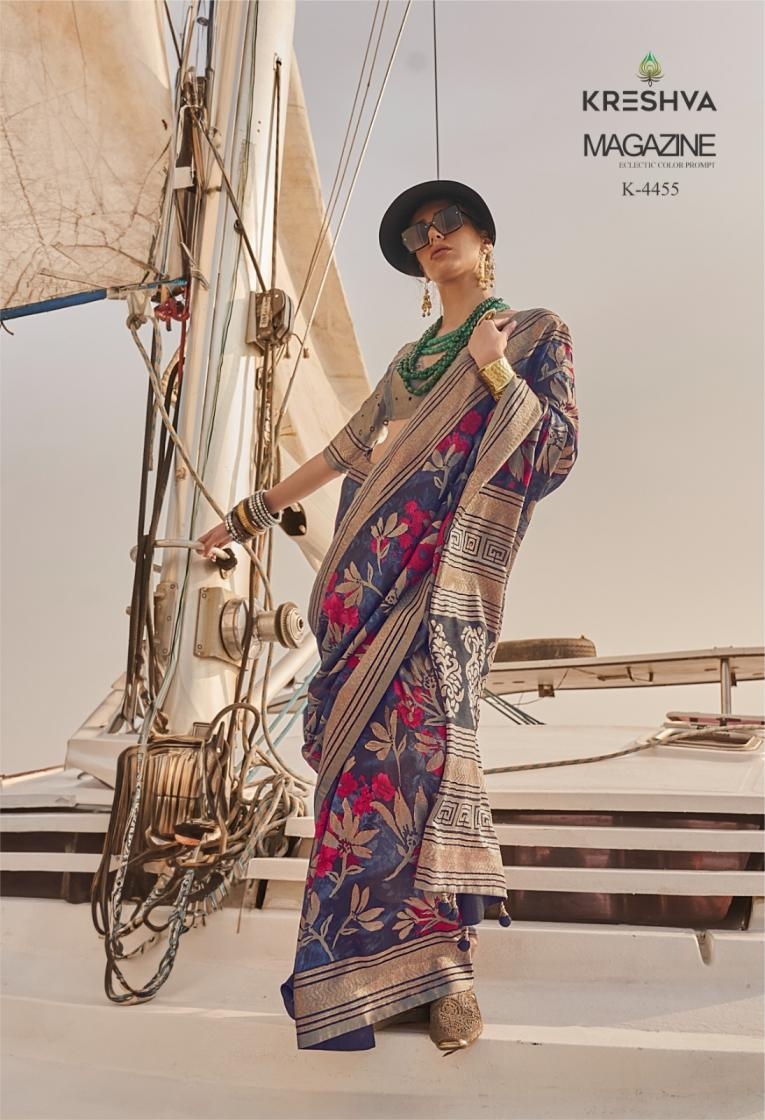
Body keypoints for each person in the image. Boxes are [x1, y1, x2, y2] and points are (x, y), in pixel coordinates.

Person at [195, 179, 579, 1052]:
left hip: (441, 591)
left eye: (446, 223)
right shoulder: (408, 362)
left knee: (425, 761)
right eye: (415, 234)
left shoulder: (532, 333)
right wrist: (251, 513)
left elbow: (555, 452)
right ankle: (365, 977)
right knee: (357, 782)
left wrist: (493, 367)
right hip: (359, 591)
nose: (430, 237)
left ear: (483, 240)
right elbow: (343, 452)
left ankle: (445, 973)